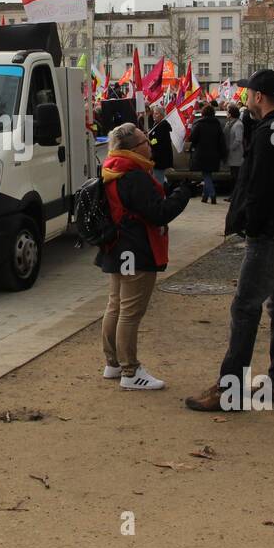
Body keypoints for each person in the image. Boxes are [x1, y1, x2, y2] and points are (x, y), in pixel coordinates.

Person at [187, 69, 274, 412]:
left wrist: (252, 225)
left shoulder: (272, 130)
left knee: (245, 306)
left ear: (258, 96)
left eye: (248, 93)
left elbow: (261, 185)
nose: (244, 98)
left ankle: (229, 389)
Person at [96, 122, 190, 390]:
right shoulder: (134, 175)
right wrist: (182, 193)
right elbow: (158, 213)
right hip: (137, 247)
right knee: (130, 312)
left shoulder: (112, 168)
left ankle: (113, 363)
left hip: (117, 247)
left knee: (116, 306)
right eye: (145, 142)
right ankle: (130, 371)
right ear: (132, 148)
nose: (150, 145)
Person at [190, 104, 227, 203]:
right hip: (214, 154)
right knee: (207, 174)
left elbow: (193, 138)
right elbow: (221, 141)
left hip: (202, 154)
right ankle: (204, 197)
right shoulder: (217, 124)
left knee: (206, 175)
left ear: (203, 113)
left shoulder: (199, 124)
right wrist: (223, 153)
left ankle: (212, 194)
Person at [147, 104, 173, 186]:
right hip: (157, 156)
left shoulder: (163, 125)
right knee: (158, 177)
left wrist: (149, 141)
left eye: (156, 113)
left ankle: (162, 195)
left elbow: (157, 140)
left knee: (158, 179)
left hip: (160, 157)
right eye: (154, 113)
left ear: (162, 115)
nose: (154, 115)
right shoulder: (157, 124)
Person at [225, 103, 244, 191]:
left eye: (228, 112)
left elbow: (238, 140)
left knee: (235, 177)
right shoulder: (230, 123)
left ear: (231, 114)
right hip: (232, 155)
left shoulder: (238, 125)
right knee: (233, 176)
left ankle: (235, 195)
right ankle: (233, 195)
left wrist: (230, 148)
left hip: (236, 155)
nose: (226, 114)